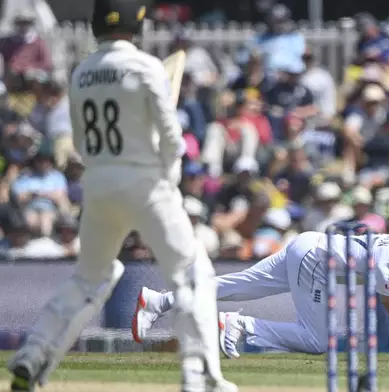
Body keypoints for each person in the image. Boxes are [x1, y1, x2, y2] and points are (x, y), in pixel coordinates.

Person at [7, 1, 236, 392]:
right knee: (192, 274)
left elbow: (80, 142)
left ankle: (34, 354)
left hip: (98, 185)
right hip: (145, 183)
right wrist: (169, 176)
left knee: (88, 279)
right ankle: (198, 376)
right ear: (138, 26)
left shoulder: (81, 74)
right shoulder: (146, 66)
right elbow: (170, 138)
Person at [133, 215, 389, 363]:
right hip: (316, 259)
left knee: (238, 286)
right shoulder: (386, 262)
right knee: (318, 341)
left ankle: (159, 300)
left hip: (309, 245)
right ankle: (242, 326)